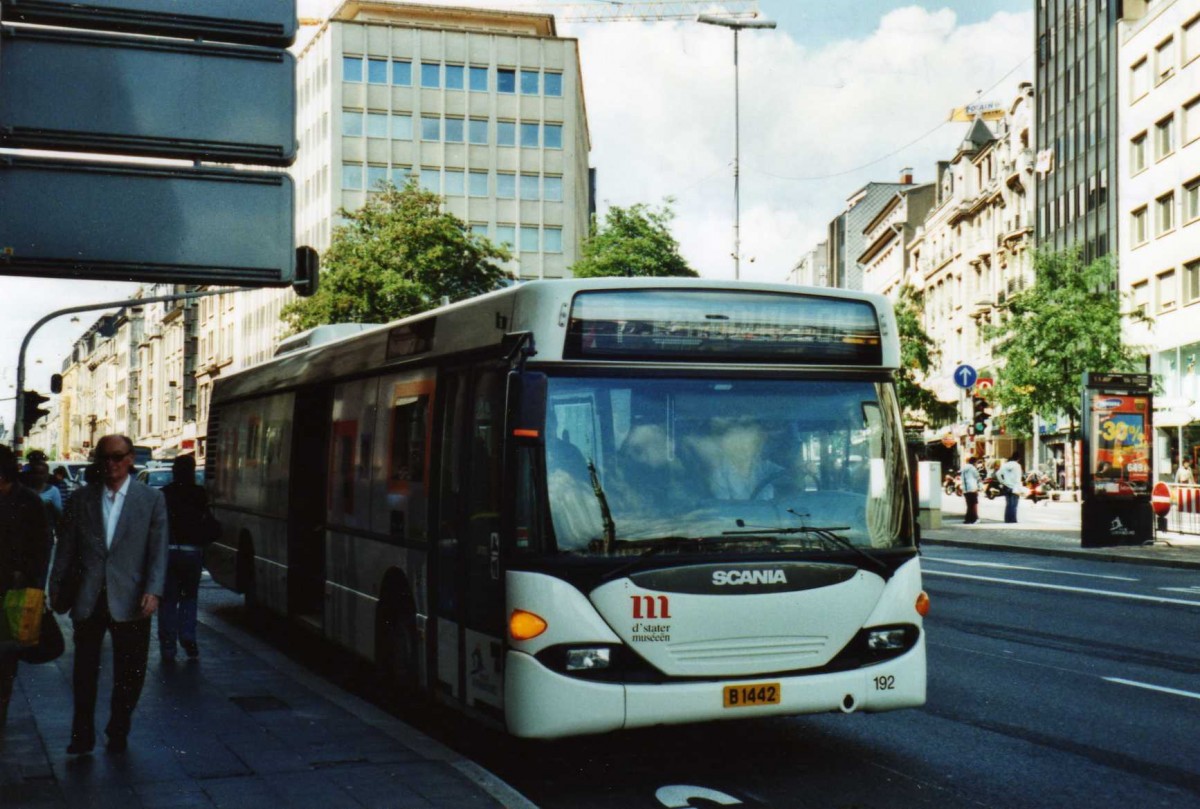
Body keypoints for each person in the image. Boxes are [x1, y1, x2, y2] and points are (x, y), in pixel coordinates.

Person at [50, 435, 168, 755]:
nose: (111, 464)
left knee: (131, 671)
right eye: (104, 458)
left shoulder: (150, 500)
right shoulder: (81, 499)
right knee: (84, 671)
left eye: (117, 457)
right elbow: (66, 549)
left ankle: (119, 726)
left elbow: (158, 551)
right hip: (90, 597)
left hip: (131, 598)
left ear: (131, 459)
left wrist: (153, 591)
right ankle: (82, 734)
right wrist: (55, 588)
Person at [0, 445, 52, 728]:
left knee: (5, 663)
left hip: (13, 596)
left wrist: (35, 589)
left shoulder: (29, 502)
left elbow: (43, 548)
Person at [158, 454, 211, 661]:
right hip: (192, 553)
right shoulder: (199, 493)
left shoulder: (164, 494)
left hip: (169, 552)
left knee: (168, 600)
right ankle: (188, 636)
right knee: (189, 597)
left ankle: (168, 645)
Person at [997, 451, 1024, 524]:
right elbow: (1018, 478)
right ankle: (1012, 520)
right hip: (1014, 487)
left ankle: (1007, 519)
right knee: (1014, 504)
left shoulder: (1005, 465)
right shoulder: (1017, 466)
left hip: (1006, 486)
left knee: (1008, 504)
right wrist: (1020, 488)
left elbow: (998, 474)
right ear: (1018, 458)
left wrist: (1002, 482)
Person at [961, 455, 981, 524]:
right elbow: (977, 477)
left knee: (969, 505)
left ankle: (968, 519)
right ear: (974, 462)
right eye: (976, 462)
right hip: (972, 488)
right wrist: (979, 487)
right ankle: (973, 519)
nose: (977, 464)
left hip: (965, 488)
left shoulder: (963, 468)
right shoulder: (973, 468)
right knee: (973, 504)